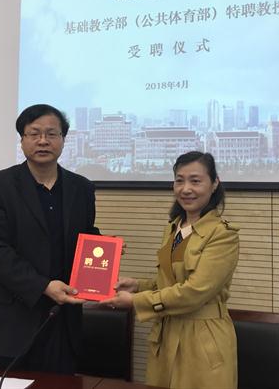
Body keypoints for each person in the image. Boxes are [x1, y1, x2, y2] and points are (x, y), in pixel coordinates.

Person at [0, 104, 99, 373]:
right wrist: (43, 286)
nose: (43, 141)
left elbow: (84, 235)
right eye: (34, 133)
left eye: (51, 134)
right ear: (22, 140)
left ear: (63, 139)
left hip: (62, 324)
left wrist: (103, 250)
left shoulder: (82, 188)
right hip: (7, 326)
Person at [101, 151, 239, 389]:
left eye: (195, 181)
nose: (186, 189)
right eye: (179, 180)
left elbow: (194, 292)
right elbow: (170, 282)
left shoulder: (222, 235)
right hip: (166, 335)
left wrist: (135, 301)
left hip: (203, 339)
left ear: (215, 183)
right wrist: (137, 285)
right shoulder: (174, 228)